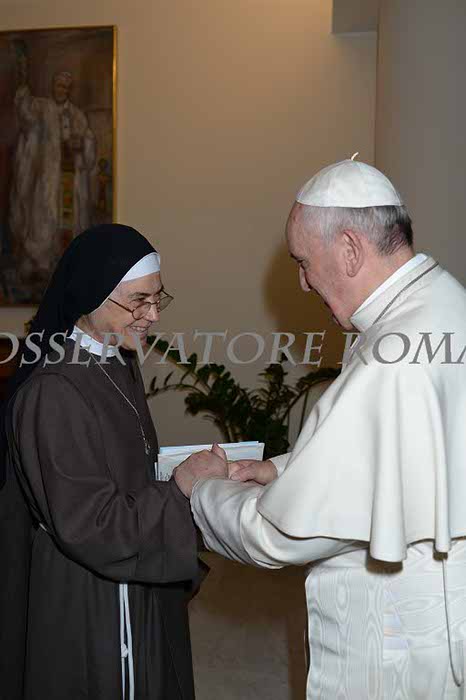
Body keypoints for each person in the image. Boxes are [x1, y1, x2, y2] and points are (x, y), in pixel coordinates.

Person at [175, 159, 466, 699]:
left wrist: (203, 490)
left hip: (391, 639)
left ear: (350, 249)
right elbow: (403, 450)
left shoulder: (390, 357)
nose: (303, 282)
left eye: (304, 263)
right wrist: (280, 469)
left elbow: (279, 534)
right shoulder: (442, 302)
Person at [0, 223, 227, 700]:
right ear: (90, 294)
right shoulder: (53, 391)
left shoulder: (116, 358)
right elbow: (90, 524)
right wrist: (180, 489)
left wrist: (181, 474)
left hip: (129, 562)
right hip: (90, 590)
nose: (151, 316)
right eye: (138, 301)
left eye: (157, 299)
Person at [9, 42, 96, 293]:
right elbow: (25, 113)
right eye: (59, 86)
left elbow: (89, 142)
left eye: (66, 87)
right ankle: (42, 265)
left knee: (70, 222)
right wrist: (23, 79)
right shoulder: (43, 109)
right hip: (48, 179)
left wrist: (82, 144)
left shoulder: (77, 115)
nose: (62, 90)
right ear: (53, 87)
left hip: (70, 179)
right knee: (43, 218)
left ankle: (67, 267)